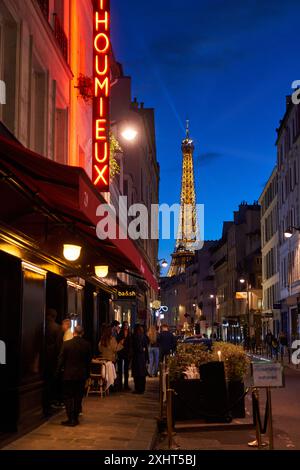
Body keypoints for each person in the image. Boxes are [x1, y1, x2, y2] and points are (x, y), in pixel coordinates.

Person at [57, 326, 91, 427]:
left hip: (68, 374)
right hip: (81, 375)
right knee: (78, 397)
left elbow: (60, 360)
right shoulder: (87, 345)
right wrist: (88, 375)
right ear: (82, 333)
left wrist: (58, 372)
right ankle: (75, 418)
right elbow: (88, 362)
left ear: (73, 333)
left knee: (68, 396)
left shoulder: (66, 344)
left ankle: (70, 418)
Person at [44, 309, 63, 415]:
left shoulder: (41, 324)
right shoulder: (57, 327)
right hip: (52, 359)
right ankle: (49, 404)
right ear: (55, 316)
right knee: (51, 382)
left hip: (42, 357)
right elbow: (58, 346)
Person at [131, 325, 148, 394]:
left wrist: (141, 349)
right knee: (142, 374)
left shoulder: (135, 337)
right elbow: (145, 346)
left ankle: (138, 389)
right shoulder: (144, 336)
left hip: (136, 357)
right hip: (142, 357)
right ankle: (142, 389)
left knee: (137, 374)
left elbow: (137, 347)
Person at [117, 321, 132, 391]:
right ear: (123, 326)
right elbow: (118, 341)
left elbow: (131, 343)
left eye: (127, 325)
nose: (126, 326)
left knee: (126, 370)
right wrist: (121, 341)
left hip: (127, 353)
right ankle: (120, 385)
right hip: (121, 352)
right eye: (125, 325)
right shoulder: (120, 333)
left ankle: (126, 385)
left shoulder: (130, 333)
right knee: (120, 369)